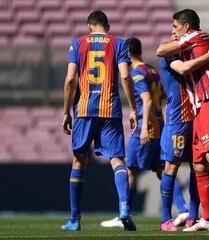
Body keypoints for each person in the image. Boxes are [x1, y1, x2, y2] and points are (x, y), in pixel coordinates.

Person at [156, 9, 209, 232]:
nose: (172, 30)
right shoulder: (198, 38)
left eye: (175, 26)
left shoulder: (191, 37)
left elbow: (160, 50)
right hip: (200, 106)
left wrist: (203, 45)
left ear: (185, 27)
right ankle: (208, 217)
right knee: (198, 161)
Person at [100, 37, 190, 228]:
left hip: (146, 126)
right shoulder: (152, 70)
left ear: (127, 54)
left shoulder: (138, 73)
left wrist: (142, 130)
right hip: (158, 126)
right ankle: (183, 209)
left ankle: (124, 213)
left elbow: (147, 100)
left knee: (129, 169)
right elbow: (164, 96)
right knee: (161, 170)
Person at [61, 10, 137, 231]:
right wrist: (133, 109)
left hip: (84, 109)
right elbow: (124, 76)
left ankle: (74, 220)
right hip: (109, 109)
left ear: (89, 27)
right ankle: (124, 208)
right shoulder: (119, 43)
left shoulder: (78, 43)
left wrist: (66, 111)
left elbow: (69, 79)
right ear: (108, 26)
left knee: (78, 161)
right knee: (117, 160)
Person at [158, 34, 209, 231]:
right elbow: (183, 69)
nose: (175, 33)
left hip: (195, 116)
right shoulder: (170, 52)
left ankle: (193, 216)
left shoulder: (190, 52)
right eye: (173, 30)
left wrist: (208, 37)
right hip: (177, 120)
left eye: (177, 29)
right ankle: (166, 219)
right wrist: (206, 58)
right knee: (171, 167)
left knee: (198, 166)